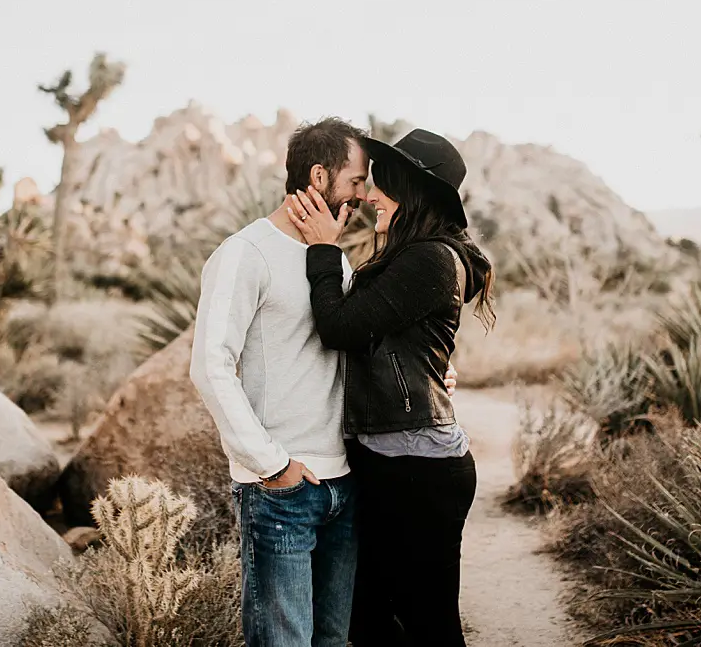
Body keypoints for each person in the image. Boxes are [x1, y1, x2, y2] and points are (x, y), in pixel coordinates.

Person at [190, 118, 456, 647]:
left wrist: (429, 372)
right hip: (282, 488)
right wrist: (273, 465)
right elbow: (210, 366)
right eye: (357, 181)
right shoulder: (245, 253)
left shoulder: (342, 259)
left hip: (347, 480)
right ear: (318, 176)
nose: (365, 194)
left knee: (335, 640)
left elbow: (367, 336)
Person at [288, 128, 495, 647]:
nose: (371, 196)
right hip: (391, 462)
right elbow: (409, 341)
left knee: (427, 624)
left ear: (414, 192)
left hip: (418, 471)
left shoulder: (429, 258)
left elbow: (340, 328)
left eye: (383, 185)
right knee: (371, 616)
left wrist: (322, 250)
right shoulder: (418, 256)